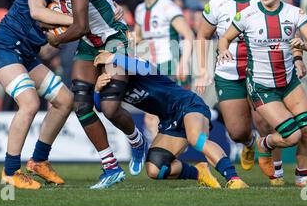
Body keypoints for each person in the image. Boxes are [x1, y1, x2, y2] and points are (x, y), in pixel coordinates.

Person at [32, 0, 147, 185]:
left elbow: (80, 26)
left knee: (110, 107)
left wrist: (56, 39)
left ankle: (137, 140)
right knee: (81, 103)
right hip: (88, 43)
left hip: (113, 38)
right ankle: (111, 168)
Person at [196, 0, 307, 186]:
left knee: (267, 124)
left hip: (262, 74)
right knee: (237, 132)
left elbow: (291, 31)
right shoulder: (217, 3)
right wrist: (201, 70)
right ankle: (248, 144)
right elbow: (203, 35)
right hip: (230, 74)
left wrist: (297, 58)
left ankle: (276, 173)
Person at [218, 0, 307, 187]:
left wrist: (302, 47)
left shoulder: (294, 13)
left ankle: (302, 178)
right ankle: (264, 144)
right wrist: (224, 49)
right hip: (261, 87)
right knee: (292, 136)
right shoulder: (247, 15)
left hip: (289, 83)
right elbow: (224, 38)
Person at [94, 50, 249, 189]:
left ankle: (233, 178)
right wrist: (97, 90)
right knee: (154, 169)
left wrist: (114, 57)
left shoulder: (134, 65)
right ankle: (198, 172)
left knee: (196, 139)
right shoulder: (114, 85)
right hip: (168, 120)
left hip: (188, 104)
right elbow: (104, 109)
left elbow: (145, 68)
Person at [0, 0, 75, 189]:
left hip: (25, 54)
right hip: (3, 49)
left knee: (65, 100)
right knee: (30, 103)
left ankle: (39, 161)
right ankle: (10, 171)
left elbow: (50, 39)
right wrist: (76, 21)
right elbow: (37, 12)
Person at [134, 0, 194, 141]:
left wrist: (183, 62)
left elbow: (188, 34)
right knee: (153, 117)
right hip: (152, 67)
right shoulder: (139, 10)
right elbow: (137, 38)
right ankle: (164, 160)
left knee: (177, 116)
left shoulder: (167, 6)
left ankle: (166, 159)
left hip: (171, 64)